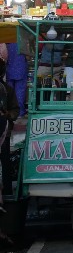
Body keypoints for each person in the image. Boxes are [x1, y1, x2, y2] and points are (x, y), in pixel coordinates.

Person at [0, 58, 20, 198]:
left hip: (3, 132)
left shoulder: (7, 89)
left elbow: (15, 110)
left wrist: (7, 114)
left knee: (4, 162)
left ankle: (6, 191)